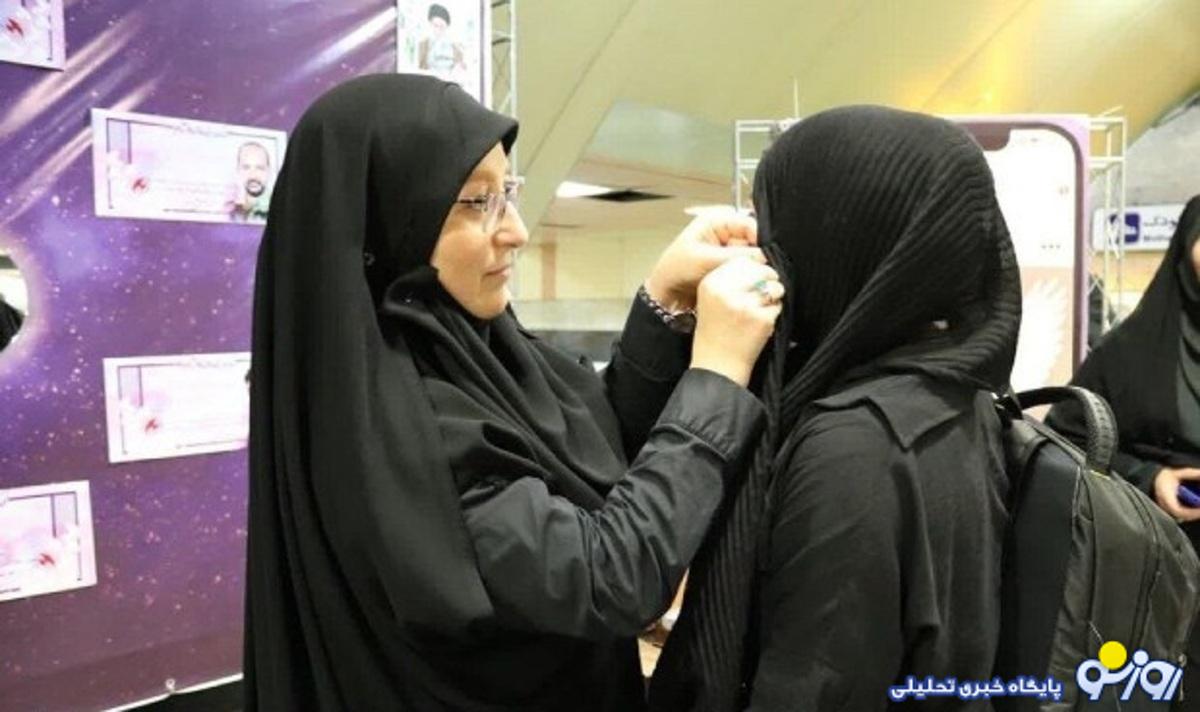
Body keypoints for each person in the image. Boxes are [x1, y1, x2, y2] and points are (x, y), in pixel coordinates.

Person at [243, 73, 785, 711]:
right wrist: (718, 372)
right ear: (387, 225)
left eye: (508, 192)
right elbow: (610, 577)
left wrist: (663, 301)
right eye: (478, 203)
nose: (517, 231)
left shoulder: (473, 354)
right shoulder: (402, 434)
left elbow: (587, 446)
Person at [650, 106, 1022, 711]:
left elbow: (812, 685)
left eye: (774, 222)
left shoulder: (855, 446)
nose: (763, 249)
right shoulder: (952, 397)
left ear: (834, 241)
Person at [1046, 195, 1200, 704]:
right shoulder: (1130, 353)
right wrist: (1150, 478)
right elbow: (1068, 436)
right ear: (1185, 248)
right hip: (1167, 574)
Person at [228, 141, 272, 223]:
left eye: (260, 168)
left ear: (268, 171)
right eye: (246, 168)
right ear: (238, 170)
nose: (253, 175)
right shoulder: (229, 205)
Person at [418, 3, 466, 78]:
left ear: (447, 26)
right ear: (430, 24)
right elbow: (420, 69)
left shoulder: (456, 47)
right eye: (435, 25)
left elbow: (462, 69)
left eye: (441, 26)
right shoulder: (423, 45)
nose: (438, 30)